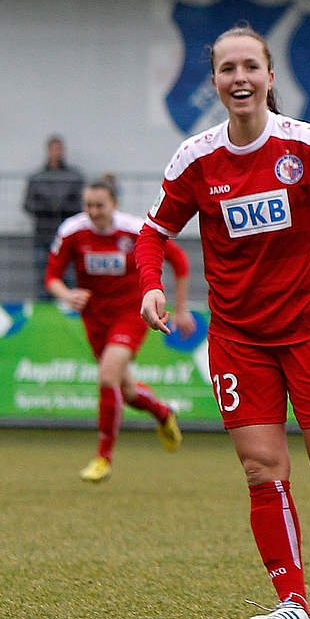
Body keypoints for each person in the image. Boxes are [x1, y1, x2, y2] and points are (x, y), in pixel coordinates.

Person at [136, 25, 310, 619]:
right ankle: (294, 604)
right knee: (262, 468)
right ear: (213, 80)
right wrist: (150, 284)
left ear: (269, 76)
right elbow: (153, 232)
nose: (239, 78)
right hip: (238, 336)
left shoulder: (306, 145)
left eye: (250, 67)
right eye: (227, 68)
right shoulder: (195, 158)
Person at [45, 175, 196, 482]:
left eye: (100, 205)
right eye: (88, 204)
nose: (93, 211)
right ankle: (163, 413)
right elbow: (52, 278)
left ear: (114, 204)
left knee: (107, 375)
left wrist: (180, 309)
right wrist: (67, 294)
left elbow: (179, 262)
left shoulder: (135, 230)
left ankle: (103, 457)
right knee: (125, 390)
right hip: (94, 318)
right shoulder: (72, 232)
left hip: (130, 313)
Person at [24, 135, 85, 299]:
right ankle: (46, 311)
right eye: (53, 149)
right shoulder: (37, 178)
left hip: (68, 235)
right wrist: (50, 208)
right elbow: (28, 204)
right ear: (47, 151)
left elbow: (80, 205)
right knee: (44, 276)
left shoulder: (74, 177)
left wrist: (60, 208)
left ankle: (71, 310)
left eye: (59, 149)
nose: (56, 153)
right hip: (43, 234)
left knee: (71, 276)